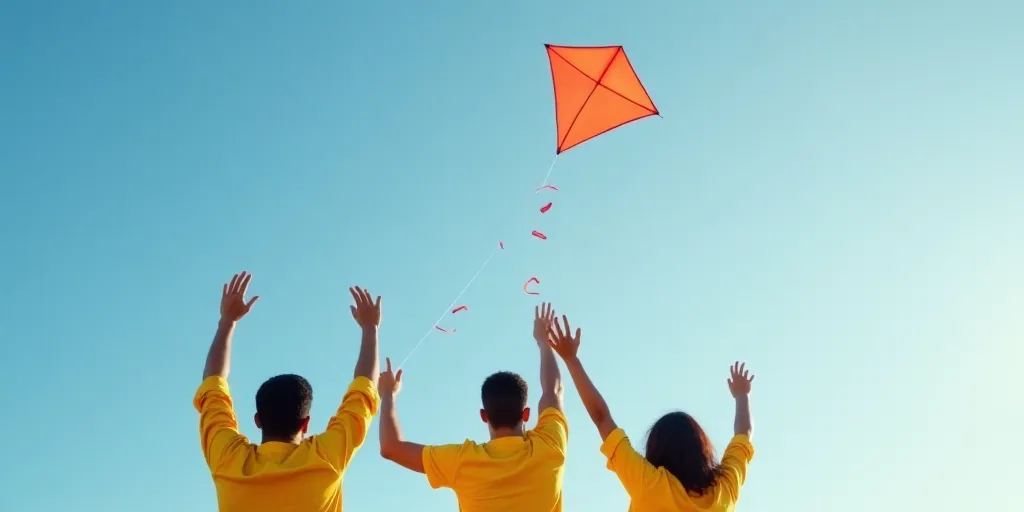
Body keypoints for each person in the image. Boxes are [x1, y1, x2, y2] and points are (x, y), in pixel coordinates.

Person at [193, 271, 382, 512]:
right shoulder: (326, 458)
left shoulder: (229, 461)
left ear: (258, 420)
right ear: (305, 423)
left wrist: (227, 322)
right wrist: (370, 329)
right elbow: (364, 389)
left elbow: (213, 384)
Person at [546, 313, 755, 511]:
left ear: (655, 448)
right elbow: (743, 434)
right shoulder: (724, 488)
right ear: (702, 449)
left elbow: (602, 418)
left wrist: (572, 360)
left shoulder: (649, 482)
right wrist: (742, 395)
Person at [377, 302, 569, 512]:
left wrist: (388, 395)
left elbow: (391, 447)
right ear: (526, 414)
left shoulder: (463, 461)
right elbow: (553, 390)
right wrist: (543, 341)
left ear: (484, 416)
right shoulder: (550, 445)